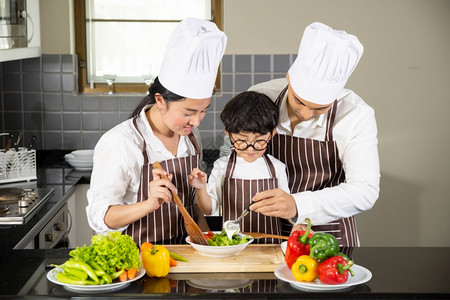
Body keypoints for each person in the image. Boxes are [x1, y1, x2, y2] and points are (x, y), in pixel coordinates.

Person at [86, 18, 227, 245]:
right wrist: (148, 204)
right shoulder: (120, 143)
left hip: (186, 259)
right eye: (189, 112)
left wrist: (207, 248)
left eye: (203, 111)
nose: (196, 122)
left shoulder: (190, 137)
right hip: (138, 262)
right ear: (160, 101)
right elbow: (102, 217)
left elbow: (191, 207)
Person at [248, 22, 380, 247]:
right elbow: (234, 151)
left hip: (328, 237)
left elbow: (365, 190)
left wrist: (298, 204)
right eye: (298, 101)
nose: (306, 114)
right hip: (264, 229)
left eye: (320, 108)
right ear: (289, 77)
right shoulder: (260, 96)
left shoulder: (356, 114)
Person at [189, 91, 290, 244]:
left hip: (270, 246)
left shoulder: (277, 168)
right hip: (232, 246)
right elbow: (207, 209)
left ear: (272, 134)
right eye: (241, 141)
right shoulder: (222, 166)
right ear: (228, 134)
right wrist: (200, 188)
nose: (250, 149)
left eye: (260, 141)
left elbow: (286, 211)